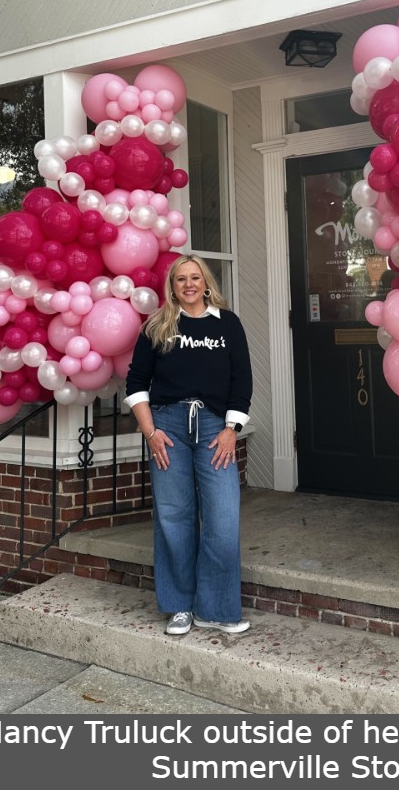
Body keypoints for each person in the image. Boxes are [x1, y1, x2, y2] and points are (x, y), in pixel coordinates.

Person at [124, 254, 252, 636]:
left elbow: (241, 382)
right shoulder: (157, 327)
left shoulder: (228, 324)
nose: (189, 284)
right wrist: (150, 432)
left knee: (223, 519)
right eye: (181, 279)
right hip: (168, 427)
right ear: (173, 286)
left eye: (195, 278)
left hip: (215, 428)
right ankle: (179, 606)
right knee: (174, 517)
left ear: (206, 283)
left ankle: (214, 610)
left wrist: (232, 429)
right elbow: (135, 383)